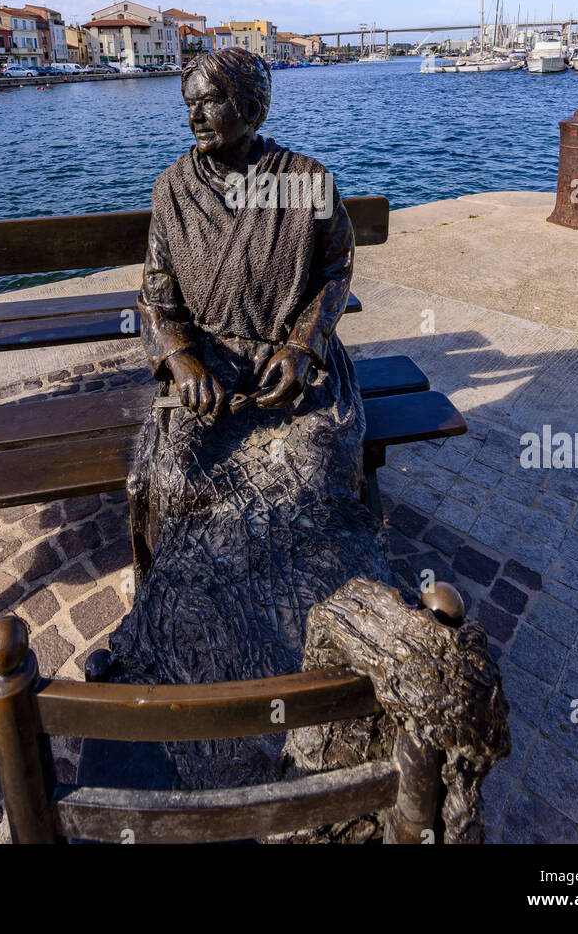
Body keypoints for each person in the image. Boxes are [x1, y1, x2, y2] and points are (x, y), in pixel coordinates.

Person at [108, 47, 387, 788]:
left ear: (251, 106)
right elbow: (156, 297)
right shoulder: (172, 188)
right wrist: (180, 360)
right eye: (187, 101)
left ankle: (313, 649)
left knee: (315, 468)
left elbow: (333, 276)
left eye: (207, 101)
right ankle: (203, 658)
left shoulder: (307, 182)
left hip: (286, 371)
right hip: (209, 374)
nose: (192, 113)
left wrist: (301, 346)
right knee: (174, 475)